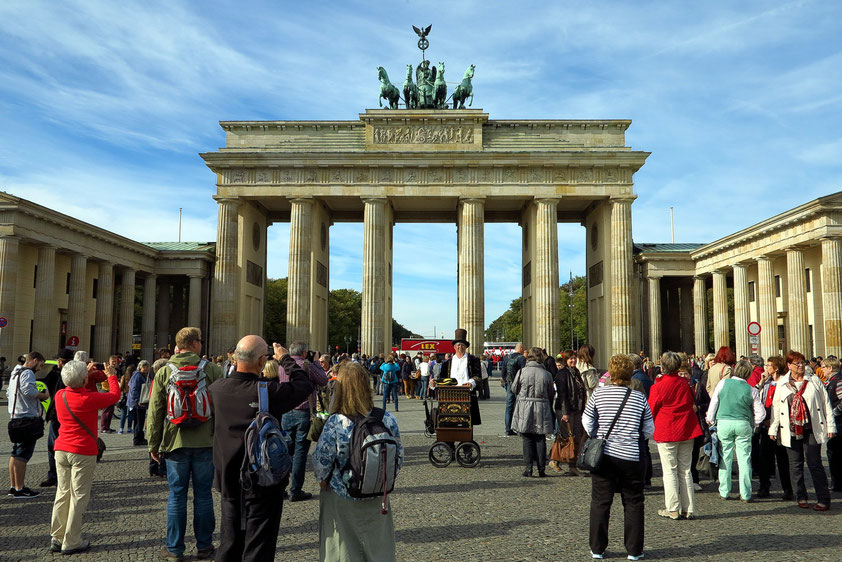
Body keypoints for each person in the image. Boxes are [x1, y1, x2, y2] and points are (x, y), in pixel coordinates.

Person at [211, 337, 313, 561]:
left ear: (235, 357)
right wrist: (285, 358)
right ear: (261, 361)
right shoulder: (267, 391)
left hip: (228, 479)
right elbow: (304, 385)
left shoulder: (216, 389)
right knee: (259, 547)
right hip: (261, 480)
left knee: (229, 544)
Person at [313, 361, 404, 561]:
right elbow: (399, 456)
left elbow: (321, 461)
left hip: (342, 494)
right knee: (378, 548)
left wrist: (323, 479)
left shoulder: (336, 421)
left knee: (342, 550)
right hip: (377, 495)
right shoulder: (386, 418)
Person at [147, 327, 222, 560]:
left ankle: (174, 549)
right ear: (193, 343)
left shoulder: (163, 371)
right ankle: (204, 546)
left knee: (177, 495)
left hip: (174, 443)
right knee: (203, 494)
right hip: (205, 442)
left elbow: (155, 412)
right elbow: (221, 409)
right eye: (200, 341)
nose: (202, 344)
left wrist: (153, 444)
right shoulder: (212, 370)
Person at [583, 354, 654, 561]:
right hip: (631, 456)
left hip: (604, 455)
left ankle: (597, 548)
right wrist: (635, 437)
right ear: (630, 373)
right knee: (633, 502)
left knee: (600, 502)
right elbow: (649, 428)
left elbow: (587, 420)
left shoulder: (598, 394)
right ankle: (634, 550)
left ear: (611, 372)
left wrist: (597, 434)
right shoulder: (639, 397)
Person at [49, 360, 120, 555]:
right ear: (84, 379)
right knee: (79, 496)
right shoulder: (89, 399)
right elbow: (114, 395)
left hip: (61, 449)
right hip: (82, 451)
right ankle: (71, 541)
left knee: (62, 493)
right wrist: (112, 374)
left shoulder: (59, 395)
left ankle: (57, 536)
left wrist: (83, 375)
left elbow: (73, 385)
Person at [769, 350, 836, 511]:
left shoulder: (814, 380)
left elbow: (825, 403)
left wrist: (831, 426)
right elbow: (776, 407)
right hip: (791, 428)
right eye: (797, 363)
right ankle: (801, 496)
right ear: (789, 366)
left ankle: (823, 498)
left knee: (815, 463)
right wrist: (773, 428)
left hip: (812, 427)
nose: (801, 366)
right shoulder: (782, 383)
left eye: (802, 362)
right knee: (795, 465)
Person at [649, 351, 703, 520]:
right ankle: (689, 508)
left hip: (667, 430)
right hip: (687, 428)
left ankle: (673, 508)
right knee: (685, 470)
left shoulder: (658, 386)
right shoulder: (686, 383)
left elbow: (652, 409)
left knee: (670, 471)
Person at [276, 341, 328, 503]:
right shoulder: (307, 366)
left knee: (285, 451)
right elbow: (323, 381)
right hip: (304, 412)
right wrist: (316, 363)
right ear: (305, 353)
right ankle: (295, 490)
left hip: (286, 412)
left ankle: (280, 488)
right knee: (300, 453)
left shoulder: (281, 366)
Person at [706, 360, 765, 501]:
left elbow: (714, 403)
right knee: (744, 458)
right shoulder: (752, 389)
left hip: (724, 422)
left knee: (725, 456)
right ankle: (746, 493)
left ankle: (724, 491)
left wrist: (711, 419)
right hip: (743, 423)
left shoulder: (722, 384)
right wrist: (754, 423)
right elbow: (761, 413)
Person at [6, 351, 48, 498]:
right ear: (35, 360)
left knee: (15, 453)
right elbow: (28, 390)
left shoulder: (14, 373)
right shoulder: (28, 373)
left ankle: (13, 486)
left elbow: (9, 394)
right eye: (40, 365)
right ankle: (20, 488)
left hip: (15, 416)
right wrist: (44, 396)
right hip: (26, 418)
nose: (40, 369)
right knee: (22, 455)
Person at [511, 347, 555, 477]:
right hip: (542, 407)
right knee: (540, 438)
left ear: (528, 357)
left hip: (525, 406)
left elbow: (514, 389)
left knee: (527, 438)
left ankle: (528, 468)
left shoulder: (521, 372)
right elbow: (551, 393)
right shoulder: (547, 374)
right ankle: (541, 469)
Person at [755, 355, 793, 499]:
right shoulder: (766, 383)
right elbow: (756, 398)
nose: (766, 368)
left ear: (776, 368)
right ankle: (764, 487)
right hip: (765, 426)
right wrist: (760, 382)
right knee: (764, 458)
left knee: (783, 459)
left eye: (768, 365)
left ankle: (788, 489)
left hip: (781, 426)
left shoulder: (785, 383)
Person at [436, 329, 483, 427]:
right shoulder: (447, 363)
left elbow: (478, 376)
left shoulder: (473, 360)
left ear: (466, 347)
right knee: (449, 422)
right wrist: (434, 383)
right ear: (454, 347)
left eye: (462, 345)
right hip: (450, 395)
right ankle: (449, 440)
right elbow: (442, 379)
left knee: (466, 422)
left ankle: (465, 438)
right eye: (458, 345)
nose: (460, 347)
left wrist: (471, 383)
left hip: (467, 394)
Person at [41, 348, 75, 488]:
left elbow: (46, 388)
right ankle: (61, 476)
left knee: (54, 446)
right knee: (65, 447)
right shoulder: (75, 375)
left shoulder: (57, 374)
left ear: (60, 362)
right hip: (69, 415)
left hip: (58, 415)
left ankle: (55, 476)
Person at [555, 349, 587, 476]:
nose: (573, 360)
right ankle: (556, 460)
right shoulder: (562, 374)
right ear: (566, 360)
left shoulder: (576, 372)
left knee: (577, 437)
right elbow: (562, 395)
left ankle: (572, 465)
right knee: (567, 438)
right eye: (570, 359)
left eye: (575, 358)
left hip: (577, 409)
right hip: (566, 410)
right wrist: (565, 412)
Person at [128, 360, 152, 447]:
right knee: (138, 421)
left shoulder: (144, 375)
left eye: (147, 367)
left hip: (141, 402)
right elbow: (134, 389)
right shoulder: (137, 375)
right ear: (140, 367)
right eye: (143, 367)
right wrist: (138, 401)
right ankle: (137, 439)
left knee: (140, 420)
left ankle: (140, 437)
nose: (145, 368)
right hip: (137, 403)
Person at [504, 343, 526, 436]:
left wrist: (507, 383)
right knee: (520, 407)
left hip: (510, 385)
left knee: (509, 407)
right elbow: (524, 372)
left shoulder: (506, 358)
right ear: (521, 349)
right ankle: (520, 429)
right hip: (520, 386)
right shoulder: (522, 359)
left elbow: (503, 373)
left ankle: (508, 429)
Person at [99, 355, 121, 433]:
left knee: (111, 410)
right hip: (106, 390)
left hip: (112, 391)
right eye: (113, 361)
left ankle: (107, 426)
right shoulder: (107, 369)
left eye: (116, 361)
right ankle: (103, 428)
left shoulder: (115, 370)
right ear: (109, 361)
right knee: (106, 410)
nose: (114, 363)